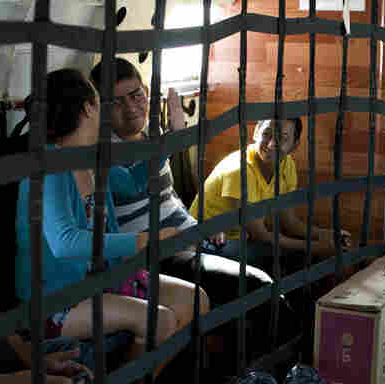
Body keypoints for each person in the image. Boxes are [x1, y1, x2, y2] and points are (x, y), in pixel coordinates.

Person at [14, 68, 210, 384]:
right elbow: (64, 242)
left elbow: (135, 181)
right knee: (161, 320)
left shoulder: (90, 158)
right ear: (89, 108)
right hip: (59, 298)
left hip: (101, 279)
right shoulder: (48, 169)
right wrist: (145, 240)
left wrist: (173, 137)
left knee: (195, 300)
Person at [89, 58, 297, 355]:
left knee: (279, 260)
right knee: (257, 282)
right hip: (155, 255)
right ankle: (276, 367)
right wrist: (173, 141)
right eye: (116, 102)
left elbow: (168, 200)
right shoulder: (101, 152)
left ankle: (278, 358)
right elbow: (133, 184)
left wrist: (197, 227)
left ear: (146, 91)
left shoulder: (151, 136)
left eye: (136, 95)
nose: (131, 107)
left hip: (191, 240)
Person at [189, 117, 352, 275]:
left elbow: (290, 222)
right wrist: (316, 247)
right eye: (267, 134)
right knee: (278, 256)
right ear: (255, 133)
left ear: (295, 145)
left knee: (300, 255)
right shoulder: (240, 170)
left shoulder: (286, 165)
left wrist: (325, 234)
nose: (272, 143)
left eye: (283, 138)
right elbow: (260, 235)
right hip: (207, 240)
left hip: (241, 238)